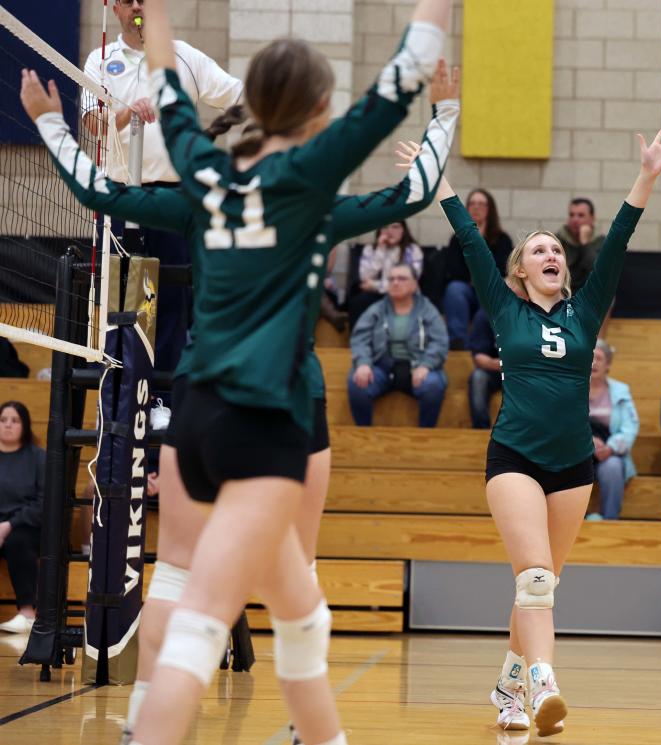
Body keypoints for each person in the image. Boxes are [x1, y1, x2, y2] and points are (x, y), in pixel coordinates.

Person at [23, 55, 460, 745]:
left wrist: (50, 122)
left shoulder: (201, 189)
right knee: (280, 597)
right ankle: (262, 726)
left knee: (179, 573)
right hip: (281, 410)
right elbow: (415, 189)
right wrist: (444, 110)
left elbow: (102, 190)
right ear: (311, 124)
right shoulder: (312, 203)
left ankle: (148, 711)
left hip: (197, 405)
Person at [140, 0, 446, 742]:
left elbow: (166, 87)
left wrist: (152, 11)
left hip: (198, 417)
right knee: (199, 627)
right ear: (317, 107)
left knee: (302, 618)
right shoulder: (311, 174)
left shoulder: (202, 168)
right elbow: (409, 68)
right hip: (264, 424)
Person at [438, 128, 661, 737]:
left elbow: (620, 240)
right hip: (515, 457)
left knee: (538, 591)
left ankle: (506, 689)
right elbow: (469, 240)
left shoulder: (585, 310)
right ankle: (544, 681)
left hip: (574, 465)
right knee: (536, 580)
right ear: (520, 270)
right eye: (538, 250)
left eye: (557, 250)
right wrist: (435, 177)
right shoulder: (505, 307)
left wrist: (647, 175)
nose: (551, 255)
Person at [81, 0, 244, 375]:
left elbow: (239, 96)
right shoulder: (101, 58)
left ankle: (162, 400)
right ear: (116, 9)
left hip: (174, 199)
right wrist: (127, 111)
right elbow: (93, 123)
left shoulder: (184, 57)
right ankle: (120, 389)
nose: (136, 5)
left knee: (170, 298)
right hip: (122, 198)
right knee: (124, 301)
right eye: (127, 1)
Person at [348, 263, 449, 427]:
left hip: (417, 366)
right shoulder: (376, 310)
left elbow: (440, 342)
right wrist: (363, 363)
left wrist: (426, 365)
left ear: (415, 284)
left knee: (433, 385)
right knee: (357, 383)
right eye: (391, 279)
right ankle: (364, 435)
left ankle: (425, 436)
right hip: (381, 367)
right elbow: (360, 339)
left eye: (402, 278)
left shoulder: (428, 310)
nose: (395, 282)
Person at [443, 188, 512, 349]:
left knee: (493, 293)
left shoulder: (502, 239)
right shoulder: (457, 238)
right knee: (454, 289)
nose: (476, 208)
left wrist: (479, 242)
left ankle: (487, 344)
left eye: (481, 204)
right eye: (472, 204)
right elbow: (454, 270)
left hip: (490, 289)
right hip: (466, 289)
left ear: (490, 210)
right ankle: (458, 342)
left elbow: (503, 269)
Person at [0, 402, 44, 634]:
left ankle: (27, 613)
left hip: (28, 524)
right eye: (3, 419)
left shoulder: (38, 457)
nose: (8, 425)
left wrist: (8, 526)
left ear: (24, 425)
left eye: (14, 420)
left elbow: (44, 502)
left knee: (18, 541)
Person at [584, 340, 638, 521]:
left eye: (598, 358)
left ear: (608, 364)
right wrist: (587, 441)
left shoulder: (621, 390)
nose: (593, 363)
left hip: (608, 450)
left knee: (613, 467)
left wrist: (611, 447)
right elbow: (560, 423)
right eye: (589, 358)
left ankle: (610, 521)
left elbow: (630, 426)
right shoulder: (571, 388)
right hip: (577, 450)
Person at [347, 220, 423, 328]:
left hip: (405, 295)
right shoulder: (370, 249)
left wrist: (374, 285)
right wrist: (380, 251)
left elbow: (408, 283)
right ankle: (358, 342)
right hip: (377, 296)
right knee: (358, 302)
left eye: (395, 227)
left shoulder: (413, 250)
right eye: (385, 227)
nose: (389, 231)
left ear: (403, 230)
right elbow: (364, 277)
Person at [557, 198, 605, 294]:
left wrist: (585, 243)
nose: (575, 219)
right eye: (572, 215)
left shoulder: (601, 241)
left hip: (591, 295)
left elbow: (598, 272)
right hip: (562, 293)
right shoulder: (557, 240)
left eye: (581, 215)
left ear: (592, 219)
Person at [467, 308, 501, 428]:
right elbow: (479, 358)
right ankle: (481, 430)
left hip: (524, 371)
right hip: (496, 370)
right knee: (478, 377)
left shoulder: (530, 312)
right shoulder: (486, 313)